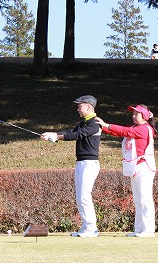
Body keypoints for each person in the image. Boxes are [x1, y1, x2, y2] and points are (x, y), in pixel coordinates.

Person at [41, 95, 101, 238]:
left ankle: (92, 228)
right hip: (81, 163)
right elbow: (71, 133)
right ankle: (86, 226)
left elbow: (79, 135)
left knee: (85, 196)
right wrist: (53, 135)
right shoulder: (83, 123)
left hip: (90, 164)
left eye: (79, 106)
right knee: (80, 197)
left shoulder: (95, 123)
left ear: (88, 106)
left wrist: (57, 136)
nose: (77, 109)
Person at [95, 104, 157, 237]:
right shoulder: (135, 127)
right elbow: (120, 132)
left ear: (144, 116)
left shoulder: (145, 129)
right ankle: (139, 229)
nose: (133, 116)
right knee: (137, 199)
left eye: (137, 114)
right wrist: (103, 127)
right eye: (133, 114)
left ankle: (149, 230)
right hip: (135, 167)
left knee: (145, 199)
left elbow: (125, 131)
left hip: (144, 167)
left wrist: (107, 125)